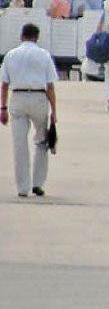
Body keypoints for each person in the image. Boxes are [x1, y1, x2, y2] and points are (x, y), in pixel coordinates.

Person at [0, 23, 58, 198]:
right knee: (41, 142)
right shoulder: (44, 55)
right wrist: (54, 111)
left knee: (20, 145)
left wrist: (2, 107)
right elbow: (50, 86)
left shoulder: (11, 55)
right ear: (37, 37)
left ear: (21, 36)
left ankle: (22, 187)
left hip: (17, 97)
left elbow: (4, 85)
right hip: (39, 98)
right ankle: (38, 183)